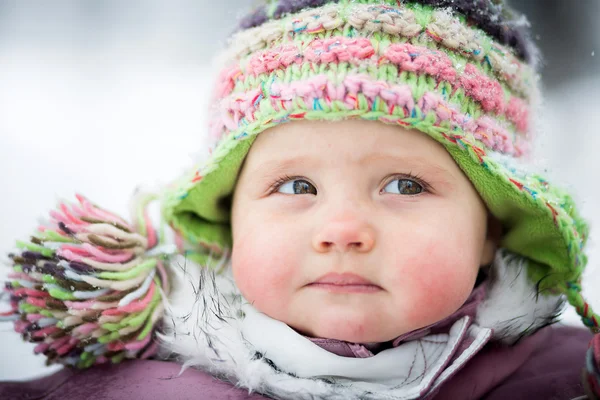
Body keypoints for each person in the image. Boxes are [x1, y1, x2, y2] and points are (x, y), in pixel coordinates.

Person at [2, 0, 600, 399]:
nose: (341, 230)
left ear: (492, 226)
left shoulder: (567, 377)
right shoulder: (141, 384)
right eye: (296, 186)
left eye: (405, 186)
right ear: (229, 216)